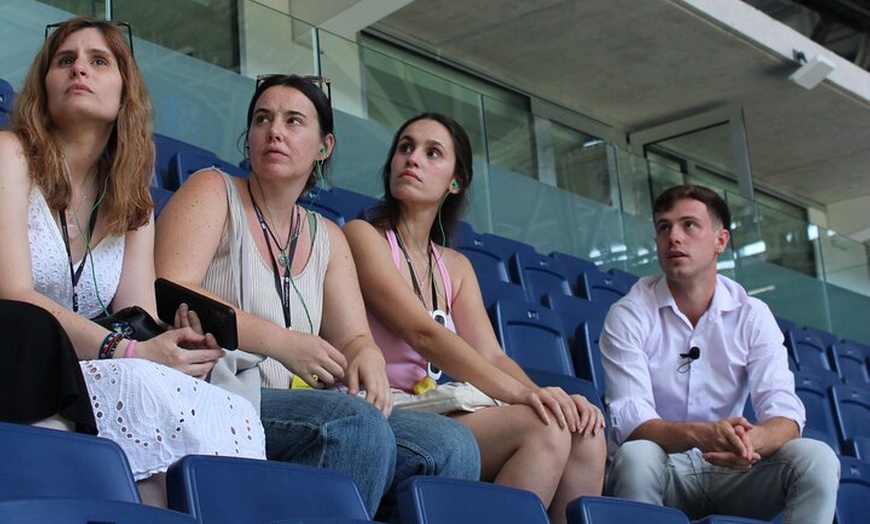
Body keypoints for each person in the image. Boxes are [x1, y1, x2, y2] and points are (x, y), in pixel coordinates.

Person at [154, 75, 480, 519]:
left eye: (293, 121)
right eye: (262, 119)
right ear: (248, 135)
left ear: (324, 146)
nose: (275, 131)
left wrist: (366, 361)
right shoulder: (214, 189)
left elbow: (355, 340)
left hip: (298, 406)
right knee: (354, 426)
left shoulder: (327, 235)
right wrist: (281, 342)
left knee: (453, 446)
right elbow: (171, 289)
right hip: (221, 390)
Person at [0, 17, 265, 506]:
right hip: (15, 350)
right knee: (50, 336)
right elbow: (13, 292)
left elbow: (133, 317)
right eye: (65, 60)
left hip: (89, 359)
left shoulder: (133, 199)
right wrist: (131, 353)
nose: (79, 67)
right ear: (46, 86)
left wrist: (169, 340)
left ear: (125, 95)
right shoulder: (10, 154)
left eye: (98, 61)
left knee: (223, 406)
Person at [343, 112, 607, 524]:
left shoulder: (457, 265)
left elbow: (492, 355)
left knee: (585, 435)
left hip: (440, 408)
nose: (412, 159)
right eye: (405, 148)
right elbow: (422, 333)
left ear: (455, 181)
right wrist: (522, 398)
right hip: (388, 408)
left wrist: (546, 395)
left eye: (432, 153)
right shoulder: (364, 236)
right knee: (543, 430)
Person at [600, 184, 840, 523]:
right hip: (663, 467)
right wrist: (702, 433)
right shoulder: (628, 314)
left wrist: (753, 441)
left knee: (817, 457)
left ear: (720, 241)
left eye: (689, 225)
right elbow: (631, 421)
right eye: (664, 227)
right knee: (637, 456)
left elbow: (785, 412)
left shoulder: (752, 314)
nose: (674, 237)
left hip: (733, 469)